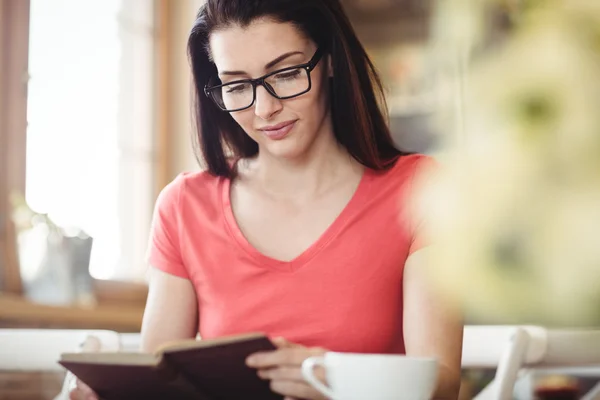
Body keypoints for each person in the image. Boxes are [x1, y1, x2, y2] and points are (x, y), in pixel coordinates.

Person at [71, 0, 463, 399]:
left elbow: (443, 383)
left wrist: (338, 379)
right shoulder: (184, 206)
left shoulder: (420, 190)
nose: (265, 108)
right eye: (237, 85)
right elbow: (158, 385)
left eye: (287, 73)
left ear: (330, 60)